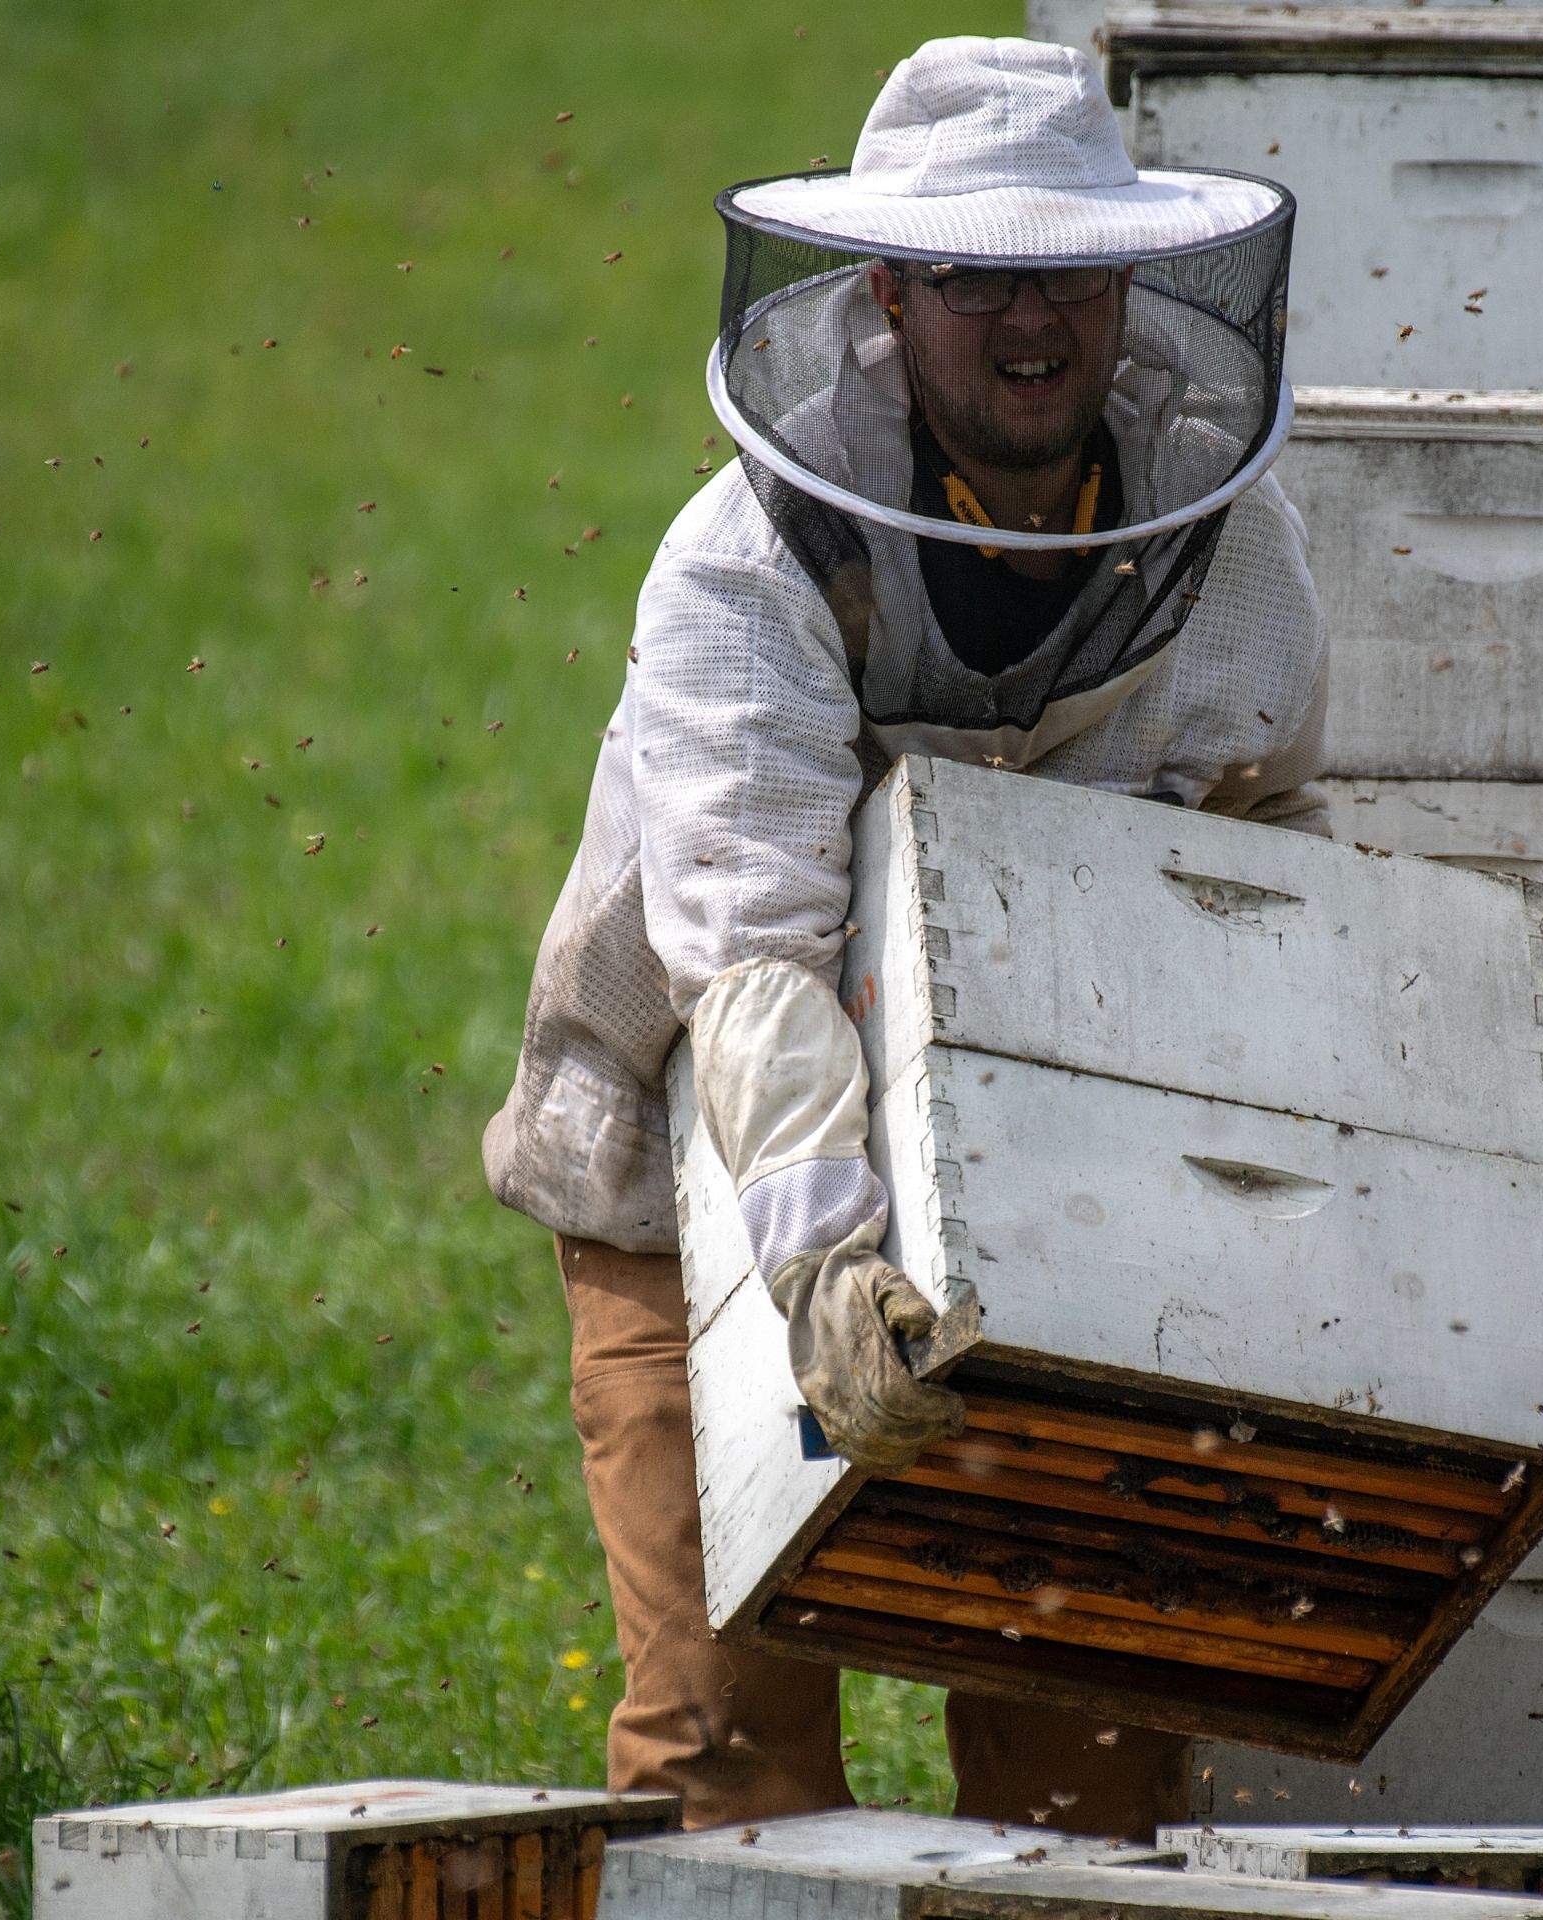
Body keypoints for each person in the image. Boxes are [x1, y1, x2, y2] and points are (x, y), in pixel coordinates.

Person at [481, 35, 1324, 1840]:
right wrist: (823, 1269)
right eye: (975, 278)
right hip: (696, 1173)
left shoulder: (1223, 545)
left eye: (1069, 276)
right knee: (731, 1741)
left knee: (1082, 1755)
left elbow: (1265, 851)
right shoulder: (749, 561)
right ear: (883, 291)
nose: (1034, 323)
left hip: (1063, 1201)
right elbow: (754, 969)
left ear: (1132, 286)